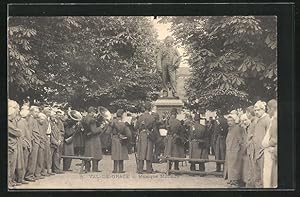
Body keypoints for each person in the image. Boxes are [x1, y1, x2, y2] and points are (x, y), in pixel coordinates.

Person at [135, 102, 157, 174]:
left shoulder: (140, 117)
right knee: (149, 152)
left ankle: (140, 169)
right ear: (150, 108)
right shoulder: (152, 118)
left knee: (141, 151)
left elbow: (136, 127)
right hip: (149, 135)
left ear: (144, 108)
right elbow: (154, 129)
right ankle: (149, 169)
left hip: (142, 135)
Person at [253, 101, 271, 188]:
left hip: (263, 151)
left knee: (263, 175)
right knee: (257, 174)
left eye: (258, 110)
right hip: (256, 151)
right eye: (255, 110)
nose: (256, 112)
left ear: (263, 109)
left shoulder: (267, 119)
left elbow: (269, 136)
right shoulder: (257, 120)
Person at [81, 106, 104, 172]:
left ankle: (87, 168)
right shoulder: (92, 120)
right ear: (91, 112)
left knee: (88, 153)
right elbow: (94, 131)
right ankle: (95, 168)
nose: (95, 114)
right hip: (94, 138)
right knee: (96, 153)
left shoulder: (84, 118)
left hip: (87, 138)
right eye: (94, 112)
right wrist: (101, 127)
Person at [224, 113, 244, 188]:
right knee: (230, 166)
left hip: (235, 151)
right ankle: (231, 180)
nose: (229, 122)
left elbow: (240, 140)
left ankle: (235, 181)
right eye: (228, 121)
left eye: (231, 121)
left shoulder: (237, 128)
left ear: (234, 121)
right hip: (230, 150)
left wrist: (238, 149)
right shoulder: (230, 129)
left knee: (235, 166)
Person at [262, 99, 277, 188]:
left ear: (271, 109)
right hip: (270, 151)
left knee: (270, 175)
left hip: (271, 151)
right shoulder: (273, 119)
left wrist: (266, 144)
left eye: (267, 109)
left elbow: (275, 139)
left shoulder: (275, 120)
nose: (267, 111)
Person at [8, 100, 22, 188]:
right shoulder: (8, 122)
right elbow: (18, 132)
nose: (16, 114)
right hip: (10, 147)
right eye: (15, 113)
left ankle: (10, 181)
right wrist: (18, 131)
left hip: (12, 146)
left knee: (12, 166)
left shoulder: (11, 122)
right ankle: (8, 183)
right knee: (9, 166)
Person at [25, 106, 41, 181]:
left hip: (36, 141)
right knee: (32, 159)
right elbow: (29, 131)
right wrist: (31, 141)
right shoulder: (31, 119)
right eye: (35, 112)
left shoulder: (33, 119)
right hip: (34, 142)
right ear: (31, 112)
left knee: (34, 159)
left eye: (38, 112)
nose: (37, 113)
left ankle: (31, 174)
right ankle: (29, 175)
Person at [16, 106, 32, 184]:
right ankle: (20, 178)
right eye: (29, 115)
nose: (30, 117)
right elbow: (21, 136)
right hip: (24, 145)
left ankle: (22, 177)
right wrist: (26, 144)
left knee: (25, 162)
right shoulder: (21, 122)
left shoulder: (24, 122)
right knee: (22, 162)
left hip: (27, 144)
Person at [244, 106, 257, 187]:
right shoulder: (253, 122)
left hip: (252, 147)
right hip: (251, 146)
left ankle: (251, 184)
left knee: (252, 166)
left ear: (249, 113)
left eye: (246, 112)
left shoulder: (254, 122)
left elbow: (251, 136)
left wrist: (247, 144)